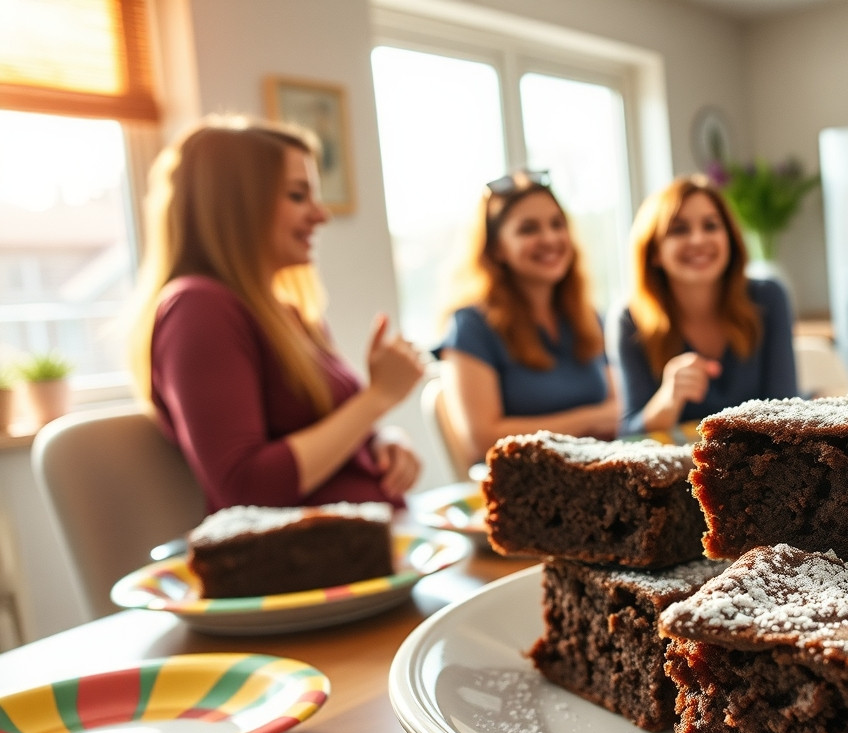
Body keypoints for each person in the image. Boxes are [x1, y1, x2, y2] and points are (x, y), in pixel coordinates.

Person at [127, 117, 424, 513]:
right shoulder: (198, 308)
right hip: (303, 565)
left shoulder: (289, 314)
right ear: (235, 204)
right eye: (299, 196)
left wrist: (378, 441)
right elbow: (245, 486)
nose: (322, 214)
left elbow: (320, 434)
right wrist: (377, 398)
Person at [435, 171, 618, 469]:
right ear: (496, 249)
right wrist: (592, 419)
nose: (549, 239)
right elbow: (480, 441)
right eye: (528, 229)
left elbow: (620, 409)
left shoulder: (587, 317)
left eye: (557, 224)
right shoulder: (471, 326)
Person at [614, 176, 798, 435]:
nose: (698, 240)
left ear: (730, 240)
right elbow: (629, 434)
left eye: (711, 226)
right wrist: (668, 399)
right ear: (654, 251)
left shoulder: (768, 297)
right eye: (679, 229)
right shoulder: (630, 319)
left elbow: (787, 411)